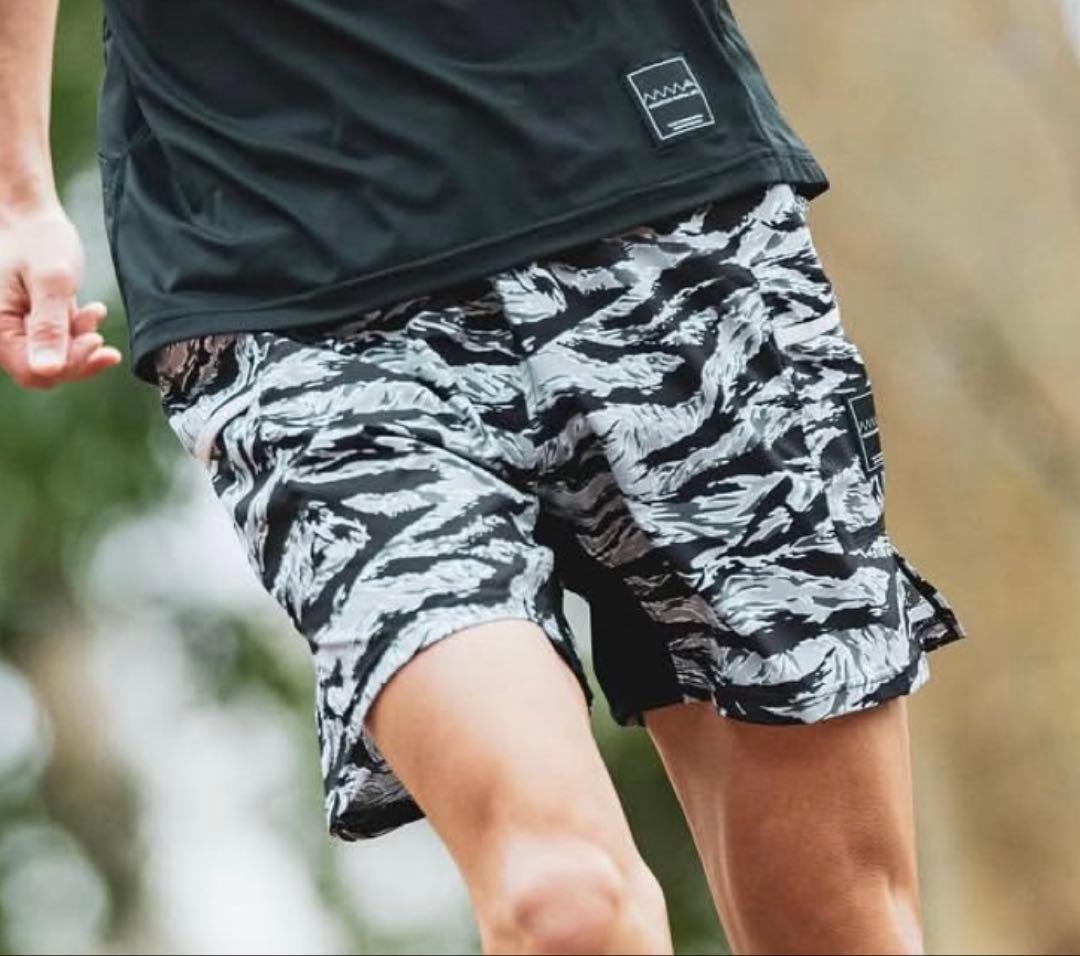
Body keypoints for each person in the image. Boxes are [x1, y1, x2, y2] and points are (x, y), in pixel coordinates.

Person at [1, 2, 965, 953]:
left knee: (837, 925)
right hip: (287, 274)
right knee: (564, 907)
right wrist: (19, 190)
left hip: (658, 190)